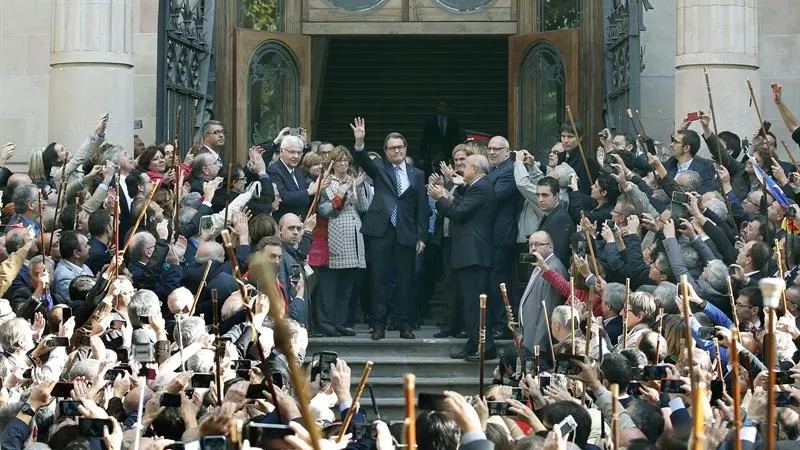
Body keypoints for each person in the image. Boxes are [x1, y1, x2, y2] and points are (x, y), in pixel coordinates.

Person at [350, 117, 430, 340]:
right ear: (385, 151)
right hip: (381, 232)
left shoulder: (417, 174)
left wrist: (422, 236)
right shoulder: (380, 168)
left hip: (406, 232)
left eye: (400, 147)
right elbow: (363, 160)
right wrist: (359, 143)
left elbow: (422, 208)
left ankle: (404, 324)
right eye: (392, 148)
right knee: (379, 280)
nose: (397, 151)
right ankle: (379, 325)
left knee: (406, 281)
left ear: (405, 149)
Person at [429, 153, 497, 361]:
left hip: (474, 254)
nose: (461, 169)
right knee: (469, 303)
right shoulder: (476, 186)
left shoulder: (481, 187)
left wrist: (440, 197)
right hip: (470, 254)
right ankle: (474, 343)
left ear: (475, 168)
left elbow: (459, 213)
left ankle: (486, 347)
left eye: (465, 165)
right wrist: (453, 191)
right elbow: (462, 205)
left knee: (475, 304)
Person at [315, 146, 368, 337]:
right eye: (339, 161)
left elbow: (363, 207)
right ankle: (327, 324)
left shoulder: (353, 179)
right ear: (332, 163)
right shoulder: (327, 182)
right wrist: (342, 191)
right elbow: (324, 210)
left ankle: (341, 322)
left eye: (346, 160)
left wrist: (358, 188)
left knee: (347, 286)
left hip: (354, 234)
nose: (343, 164)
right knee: (330, 286)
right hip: (334, 233)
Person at [485, 135, 521, 339]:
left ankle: (504, 325)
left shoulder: (508, 170)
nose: (491, 152)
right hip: (493, 235)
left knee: (501, 281)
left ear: (507, 152)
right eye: (489, 148)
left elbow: (492, 197)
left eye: (496, 149)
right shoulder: (495, 169)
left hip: (503, 236)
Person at [518, 231, 568, 357]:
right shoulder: (538, 265)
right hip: (529, 338)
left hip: (538, 344)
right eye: (530, 245)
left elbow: (549, 309)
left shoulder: (554, 268)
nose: (533, 248)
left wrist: (539, 345)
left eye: (538, 244)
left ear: (550, 246)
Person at [268, 135, 320, 222]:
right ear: (281, 152)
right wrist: (309, 191)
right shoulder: (273, 170)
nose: (296, 156)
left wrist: (317, 191)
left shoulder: (298, 172)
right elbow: (283, 198)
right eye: (292, 152)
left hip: (300, 223)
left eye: (299, 153)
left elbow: (304, 201)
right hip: (283, 225)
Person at [419, 99, 463, 175]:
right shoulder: (430, 122)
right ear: (437, 107)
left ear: (448, 108)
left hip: (448, 153)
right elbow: (424, 140)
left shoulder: (453, 122)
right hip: (433, 154)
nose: (442, 108)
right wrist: (422, 156)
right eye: (441, 106)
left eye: (445, 106)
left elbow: (457, 139)